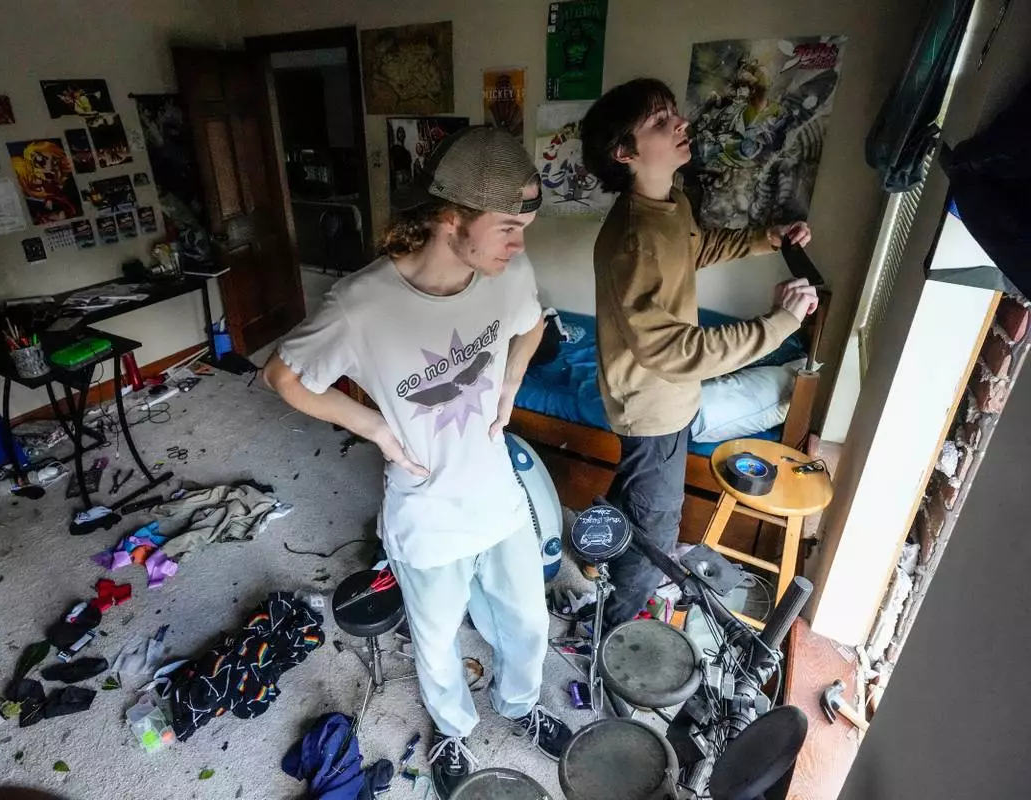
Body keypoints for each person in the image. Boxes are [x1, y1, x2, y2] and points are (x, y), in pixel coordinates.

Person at [264, 127, 573, 799]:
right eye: (507, 228)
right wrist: (373, 425)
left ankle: (521, 705)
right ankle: (454, 730)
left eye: (524, 228)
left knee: (527, 620)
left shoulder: (509, 274)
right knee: (436, 641)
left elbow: (532, 323)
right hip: (426, 510)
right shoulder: (362, 304)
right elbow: (284, 376)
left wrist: (512, 382)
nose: (519, 246)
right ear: (450, 219)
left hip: (498, 494)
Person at [579, 78, 819, 626]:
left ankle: (598, 550)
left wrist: (767, 238)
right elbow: (673, 350)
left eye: (673, 113)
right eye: (659, 122)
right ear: (625, 153)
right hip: (652, 407)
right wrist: (778, 324)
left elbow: (695, 248)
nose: (680, 123)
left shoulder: (671, 204)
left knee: (636, 495)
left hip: (670, 398)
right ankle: (616, 631)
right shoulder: (632, 241)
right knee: (655, 529)